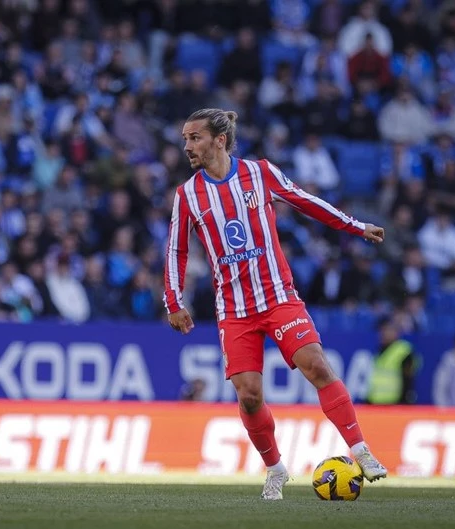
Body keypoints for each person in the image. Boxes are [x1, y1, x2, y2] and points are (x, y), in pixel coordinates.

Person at [163, 108, 388, 500]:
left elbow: (308, 202)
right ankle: (275, 469)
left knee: (316, 363)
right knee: (249, 395)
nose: (187, 146)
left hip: (278, 296)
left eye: (194, 138)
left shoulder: (260, 173)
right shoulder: (187, 195)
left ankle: (360, 450)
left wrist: (357, 226)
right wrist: (174, 301)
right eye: (185, 139)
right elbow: (176, 250)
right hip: (233, 310)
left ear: (219, 140)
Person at [367, 318, 417, 405]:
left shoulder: (404, 351)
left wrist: (404, 402)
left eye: (388, 330)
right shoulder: (379, 350)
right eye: (382, 330)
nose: (384, 333)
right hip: (376, 402)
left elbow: (408, 379)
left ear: (396, 332)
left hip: (394, 403)